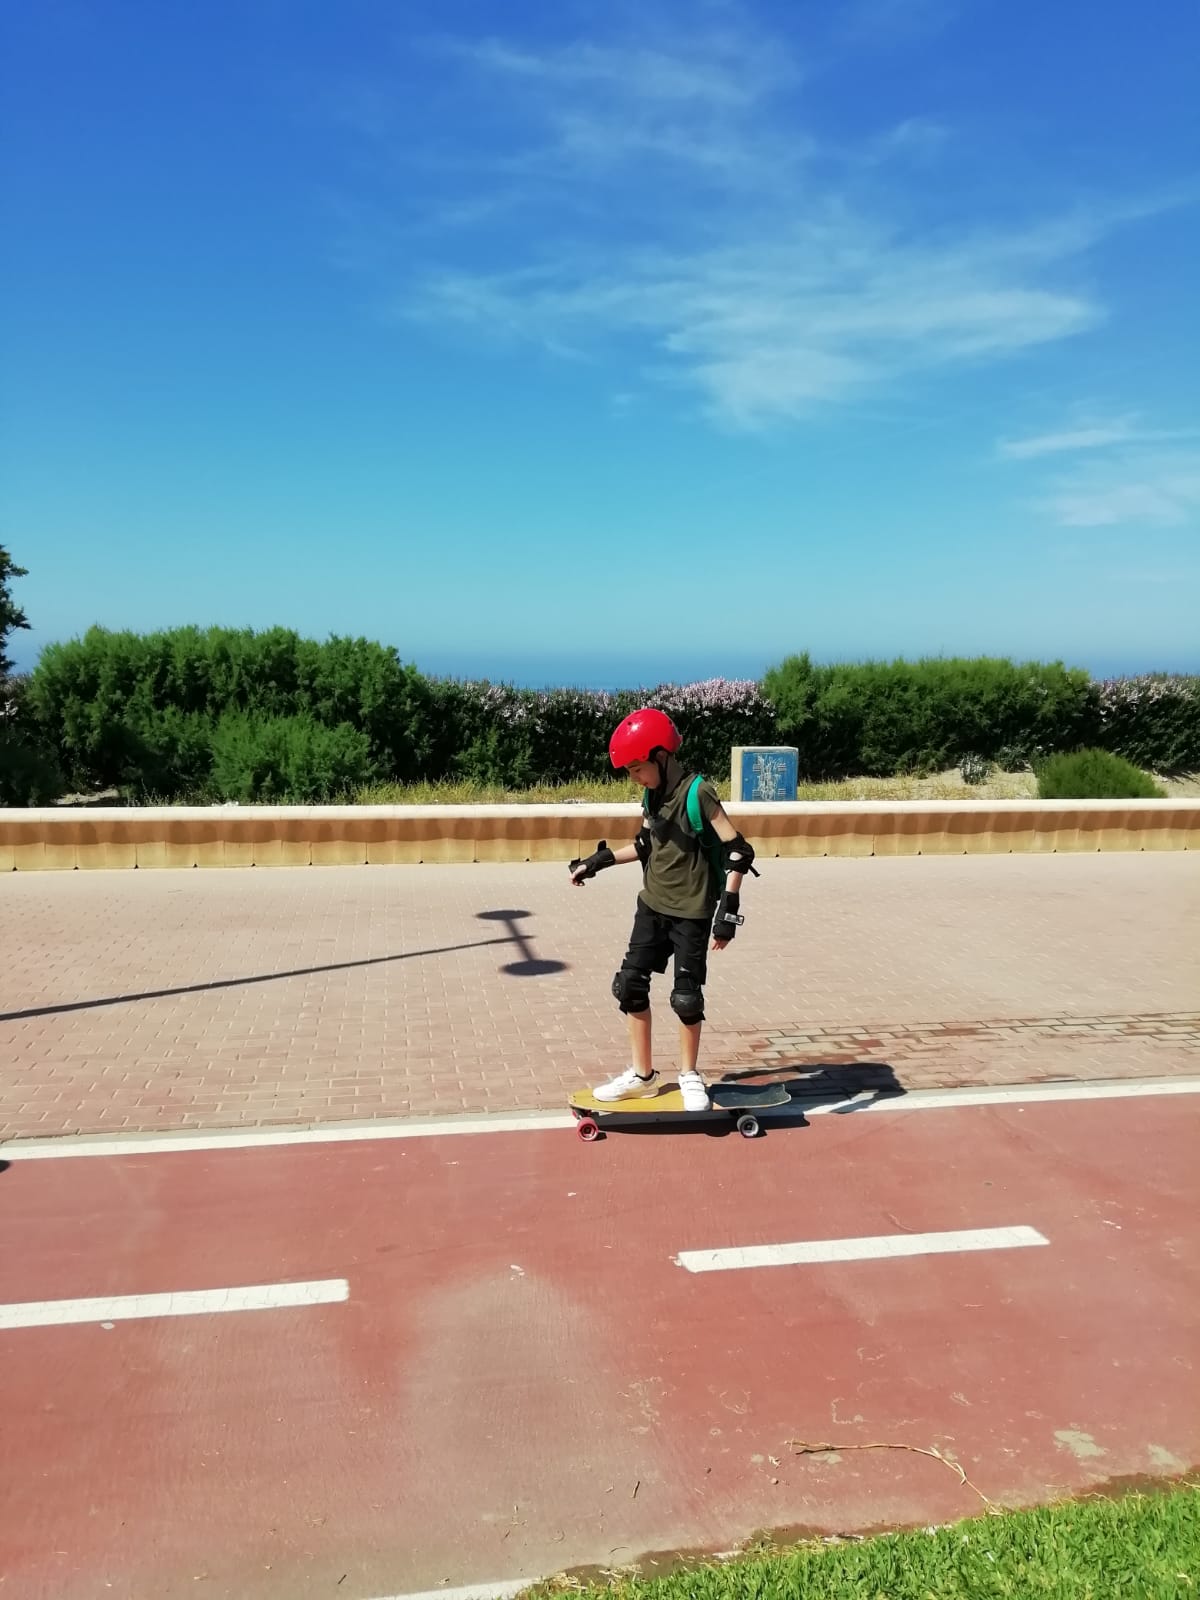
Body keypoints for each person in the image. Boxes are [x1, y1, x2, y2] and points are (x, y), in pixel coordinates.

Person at [569, 707, 758, 1111]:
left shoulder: (698, 792)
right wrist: (596, 862)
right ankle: (642, 1077)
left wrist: (728, 910)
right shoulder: (651, 793)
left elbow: (739, 851)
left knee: (686, 998)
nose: (635, 778)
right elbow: (644, 845)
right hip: (652, 905)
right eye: (630, 772)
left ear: (661, 756)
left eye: (638, 769)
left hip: (692, 912)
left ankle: (689, 1075)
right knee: (629, 985)